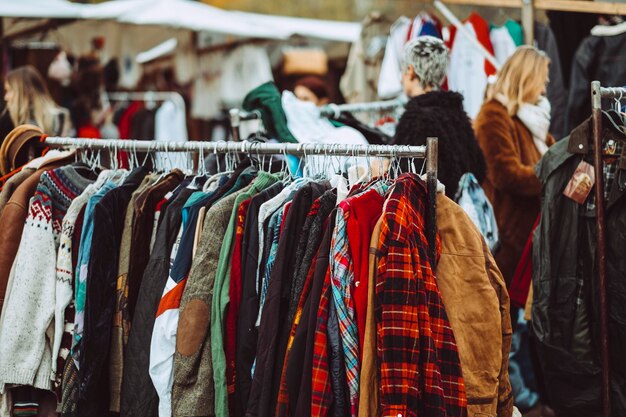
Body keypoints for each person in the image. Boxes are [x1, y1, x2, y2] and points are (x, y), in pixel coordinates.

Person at [474, 46, 554, 285]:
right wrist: (554, 176)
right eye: (542, 81)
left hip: (532, 237)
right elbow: (505, 174)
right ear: (526, 79)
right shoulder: (493, 115)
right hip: (508, 238)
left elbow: (553, 155)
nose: (544, 89)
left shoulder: (532, 119)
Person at [392, 36, 486, 198]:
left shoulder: (415, 119)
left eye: (403, 70)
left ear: (410, 70)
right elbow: (479, 168)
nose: (401, 78)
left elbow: (408, 180)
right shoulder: (457, 114)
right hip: (460, 215)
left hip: (433, 217)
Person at [3, 66, 71, 139]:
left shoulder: (61, 118)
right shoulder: (61, 117)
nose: (5, 97)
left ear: (25, 92)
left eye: (9, 91)